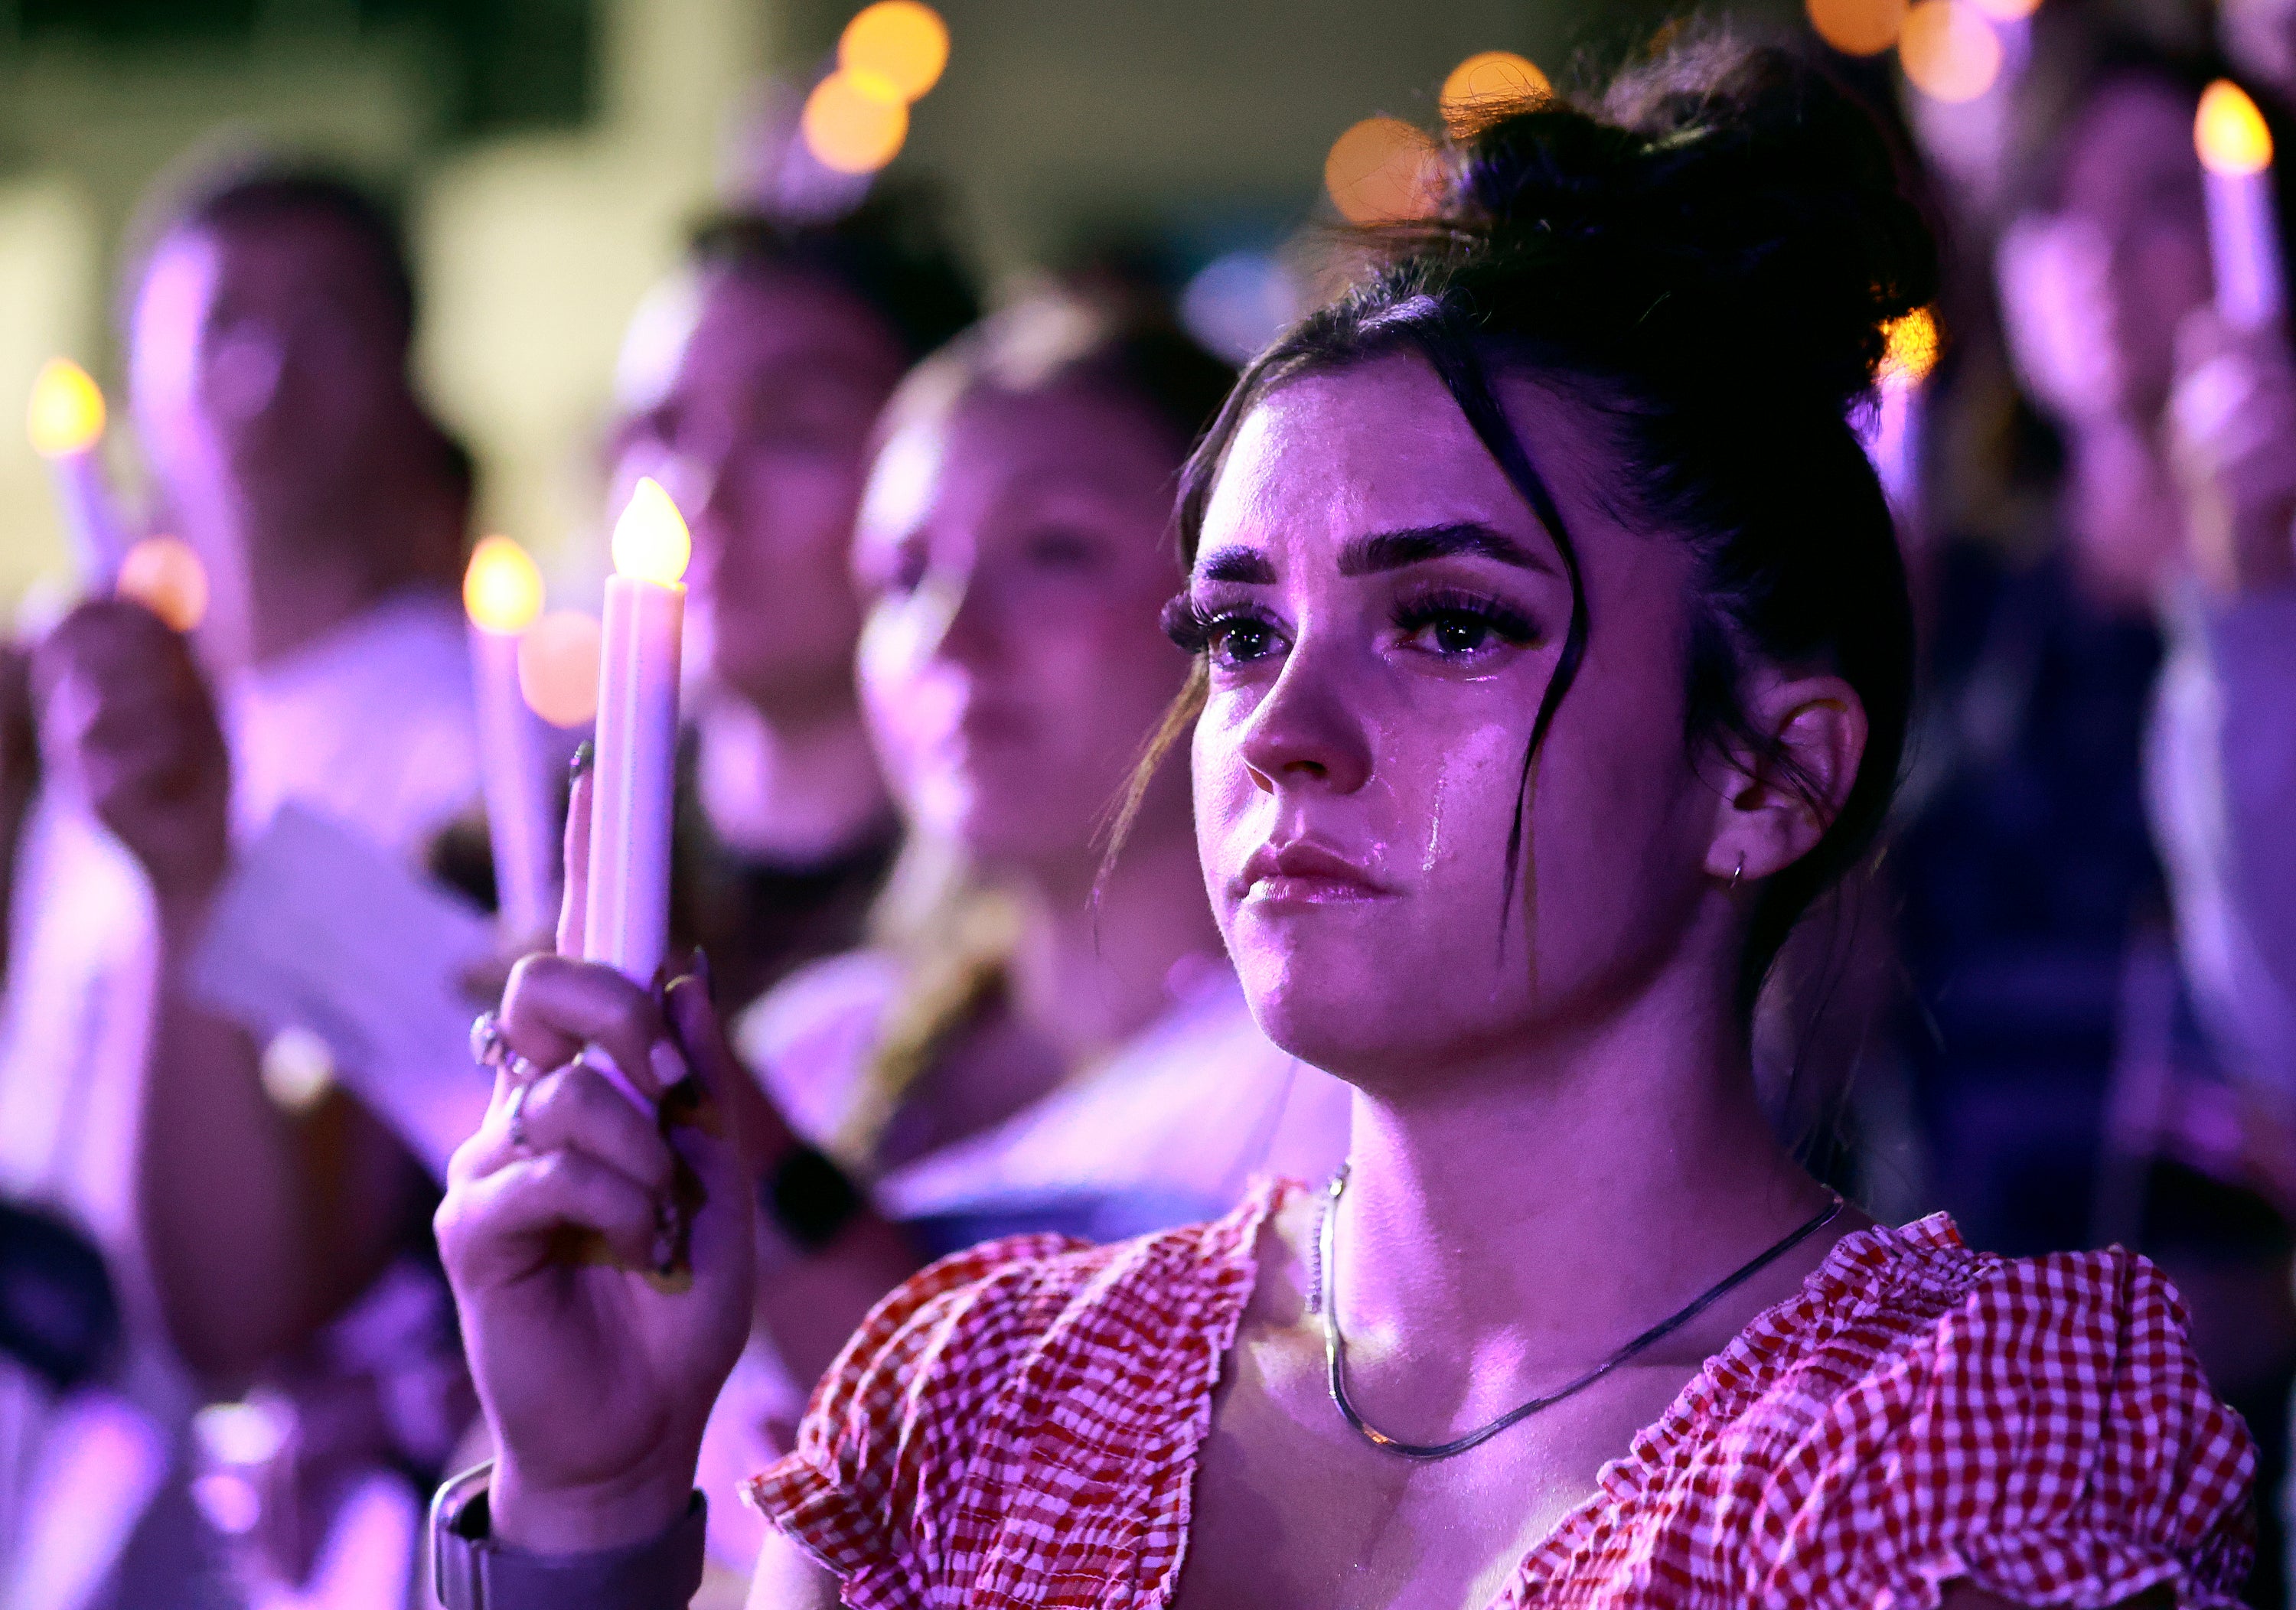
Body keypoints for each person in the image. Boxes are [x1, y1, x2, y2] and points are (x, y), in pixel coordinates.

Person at [433, 34, 2255, 1609]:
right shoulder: (977, 1392)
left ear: (1764, 774)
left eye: (1449, 622)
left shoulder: (1948, 1441)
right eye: (1235, 632)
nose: (1281, 731)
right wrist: (584, 1507)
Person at [678, 290, 1351, 1574]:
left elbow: (1121, 1501)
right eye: (905, 574)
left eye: (1049, 550)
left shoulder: (1322, 1087)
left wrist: (746, 1155)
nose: (949, 635)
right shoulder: (818, 1044)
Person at [0, 163, 481, 1602]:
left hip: (264, 1490)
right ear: (142, 382)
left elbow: (296, 1253)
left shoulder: (464, 741)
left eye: (321, 325)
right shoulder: (107, 699)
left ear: (405, 371)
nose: (263, 378)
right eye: (216, 329)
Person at [607, 198, 980, 1017]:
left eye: (795, 433)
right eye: (663, 430)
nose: (699, 497)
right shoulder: (517, 865)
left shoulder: (1008, 933)